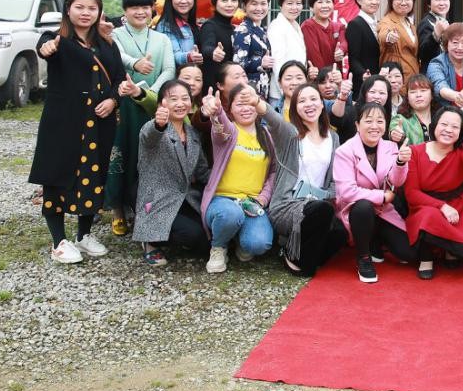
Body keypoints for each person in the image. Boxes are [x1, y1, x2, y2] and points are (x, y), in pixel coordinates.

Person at [30, 0, 125, 263]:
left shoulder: (107, 44)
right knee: (57, 175)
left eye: (92, 8)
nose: (86, 13)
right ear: (68, 9)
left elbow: (120, 78)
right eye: (80, 7)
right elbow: (44, 47)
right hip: (64, 122)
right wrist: (46, 47)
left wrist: (113, 101)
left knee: (95, 174)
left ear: (99, 11)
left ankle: (83, 235)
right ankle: (58, 241)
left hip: (99, 122)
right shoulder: (57, 39)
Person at [110, 0, 176, 236]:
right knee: (121, 154)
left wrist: (151, 93)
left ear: (152, 10)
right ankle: (117, 209)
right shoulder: (115, 35)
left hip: (151, 104)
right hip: (123, 103)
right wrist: (135, 63)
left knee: (146, 157)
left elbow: (169, 70)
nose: (140, 12)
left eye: (145, 7)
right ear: (125, 10)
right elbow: (117, 56)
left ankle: (142, 209)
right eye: (134, 7)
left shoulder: (161, 39)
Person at [266, 83, 348, 276]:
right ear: (295, 108)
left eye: (313, 99)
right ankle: (297, 260)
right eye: (302, 101)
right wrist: (256, 102)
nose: (309, 104)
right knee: (322, 212)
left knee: (340, 234)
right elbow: (273, 119)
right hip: (287, 205)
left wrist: (323, 195)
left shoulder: (333, 137)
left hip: (318, 204)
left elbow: (335, 180)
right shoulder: (290, 135)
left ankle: (291, 247)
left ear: (322, 104)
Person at [200, 84, 278, 273]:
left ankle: (238, 238)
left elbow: (274, 170)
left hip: (251, 203)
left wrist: (263, 198)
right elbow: (220, 127)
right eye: (240, 104)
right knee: (230, 215)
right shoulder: (229, 132)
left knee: (259, 244)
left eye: (250, 103)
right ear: (231, 109)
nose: (246, 108)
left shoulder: (266, 135)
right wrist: (216, 111)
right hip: (223, 200)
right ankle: (218, 247)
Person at [334, 102, 415, 283]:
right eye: (368, 121)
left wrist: (401, 162)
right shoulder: (344, 151)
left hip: (382, 211)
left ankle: (375, 241)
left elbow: (396, 182)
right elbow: (347, 192)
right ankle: (364, 257)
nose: (374, 126)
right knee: (363, 207)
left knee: (409, 253)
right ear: (357, 125)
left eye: (380, 121)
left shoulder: (391, 147)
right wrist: (381, 196)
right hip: (356, 210)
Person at [133, 79, 210, 266]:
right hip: (158, 200)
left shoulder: (192, 133)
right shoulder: (153, 128)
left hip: (185, 199)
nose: (180, 103)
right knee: (192, 234)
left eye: (185, 98)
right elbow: (150, 136)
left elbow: (202, 171)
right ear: (162, 104)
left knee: (206, 240)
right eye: (173, 99)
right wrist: (159, 124)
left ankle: (168, 234)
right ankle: (150, 241)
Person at [405, 106, 463, 279]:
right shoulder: (415, 152)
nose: (448, 130)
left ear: (461, 132)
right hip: (424, 204)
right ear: (434, 125)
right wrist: (442, 206)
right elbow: (412, 193)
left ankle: (449, 250)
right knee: (429, 216)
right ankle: (426, 257)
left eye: (455, 127)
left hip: (457, 206)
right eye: (444, 124)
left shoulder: (462, 153)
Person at [232, 0, 273, 98]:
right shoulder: (243, 30)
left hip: (263, 89)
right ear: (244, 6)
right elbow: (238, 63)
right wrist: (260, 63)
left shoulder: (263, 29)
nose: (259, 8)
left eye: (263, 4)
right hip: (248, 91)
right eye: (254, 4)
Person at [426, 23, 463, 110]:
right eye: (455, 42)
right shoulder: (437, 63)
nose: (460, 47)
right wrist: (457, 96)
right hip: (443, 113)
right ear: (446, 44)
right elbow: (440, 86)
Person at [268, 0, 309, 101]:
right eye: (290, 3)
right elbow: (277, 62)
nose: (294, 8)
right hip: (282, 94)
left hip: (295, 90)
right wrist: (284, 93)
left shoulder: (295, 25)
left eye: (298, 3)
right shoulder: (277, 26)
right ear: (281, 5)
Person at [198, 0, 241, 89]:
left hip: (231, 86)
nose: (229, 4)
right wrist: (213, 52)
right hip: (213, 86)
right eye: (224, 1)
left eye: (234, 0)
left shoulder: (235, 29)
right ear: (215, 3)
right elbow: (206, 46)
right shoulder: (209, 25)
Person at [155, 0, 202, 69]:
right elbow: (173, 55)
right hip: (179, 75)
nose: (183, 1)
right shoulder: (165, 26)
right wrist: (189, 57)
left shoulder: (195, 24)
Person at [377, 0, 420, 83]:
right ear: (391, 1)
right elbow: (383, 33)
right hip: (396, 78)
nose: (403, 3)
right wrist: (389, 37)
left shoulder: (410, 25)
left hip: (413, 75)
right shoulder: (387, 20)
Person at [301, 0, 347, 76]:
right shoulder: (308, 26)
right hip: (319, 77)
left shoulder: (339, 26)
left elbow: (344, 42)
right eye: (320, 2)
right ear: (311, 7)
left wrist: (341, 50)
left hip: (336, 76)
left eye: (328, 2)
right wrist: (326, 77)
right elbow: (314, 56)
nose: (325, 6)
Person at [346, 0, 381, 95]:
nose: (374, 2)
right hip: (363, 83)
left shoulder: (380, 23)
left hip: (379, 80)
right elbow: (353, 58)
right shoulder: (355, 24)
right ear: (359, 0)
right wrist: (363, 73)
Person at [389, 74, 435, 146]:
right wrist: (395, 134)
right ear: (407, 97)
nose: (418, 95)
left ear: (432, 95)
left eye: (423, 90)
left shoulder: (441, 118)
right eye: (413, 92)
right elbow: (394, 128)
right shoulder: (401, 119)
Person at [417, 0, 453, 70]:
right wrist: (435, 34)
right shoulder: (426, 23)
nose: (442, 3)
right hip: (432, 71)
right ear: (429, 4)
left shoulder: (446, 22)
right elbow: (423, 53)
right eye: (437, 0)